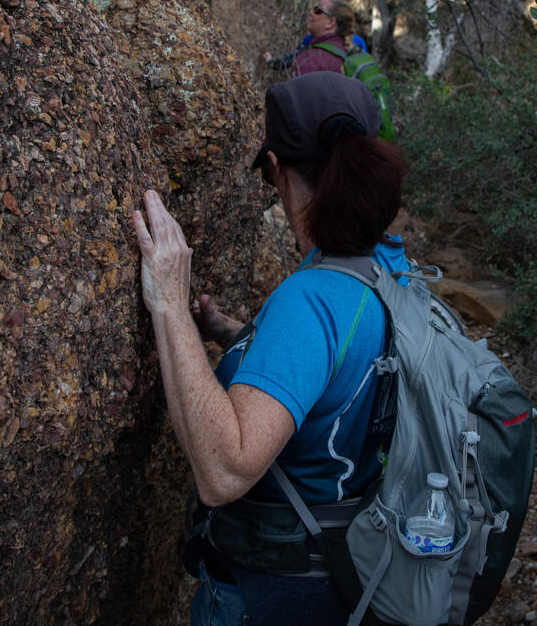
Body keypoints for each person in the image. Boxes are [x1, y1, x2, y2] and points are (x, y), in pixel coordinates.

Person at [131, 71, 409, 626]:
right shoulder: (387, 268)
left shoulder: (311, 300)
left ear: (278, 169)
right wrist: (231, 332)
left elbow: (226, 470)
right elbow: (331, 373)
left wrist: (168, 299)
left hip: (269, 596)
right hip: (345, 575)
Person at [262, 0, 362, 77]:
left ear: (330, 22)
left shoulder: (310, 60)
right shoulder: (357, 48)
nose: (311, 12)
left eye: (318, 10)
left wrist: (272, 63)